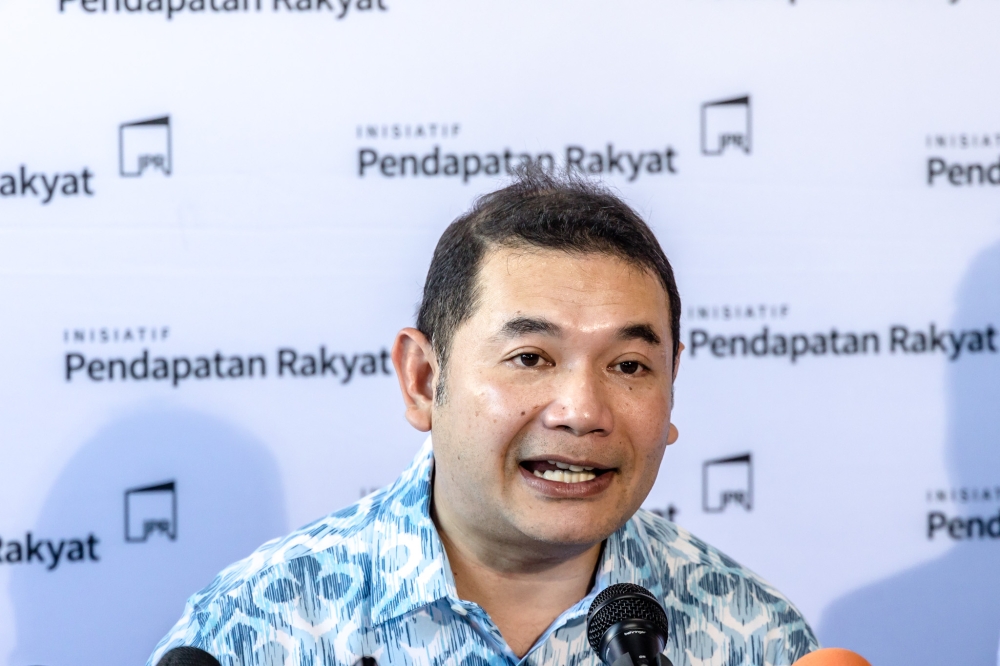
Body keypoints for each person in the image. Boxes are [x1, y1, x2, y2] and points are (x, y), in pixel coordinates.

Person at [148, 171, 818, 666]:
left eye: (629, 366)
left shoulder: (754, 635)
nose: (582, 412)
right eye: (530, 357)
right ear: (421, 380)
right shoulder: (258, 626)